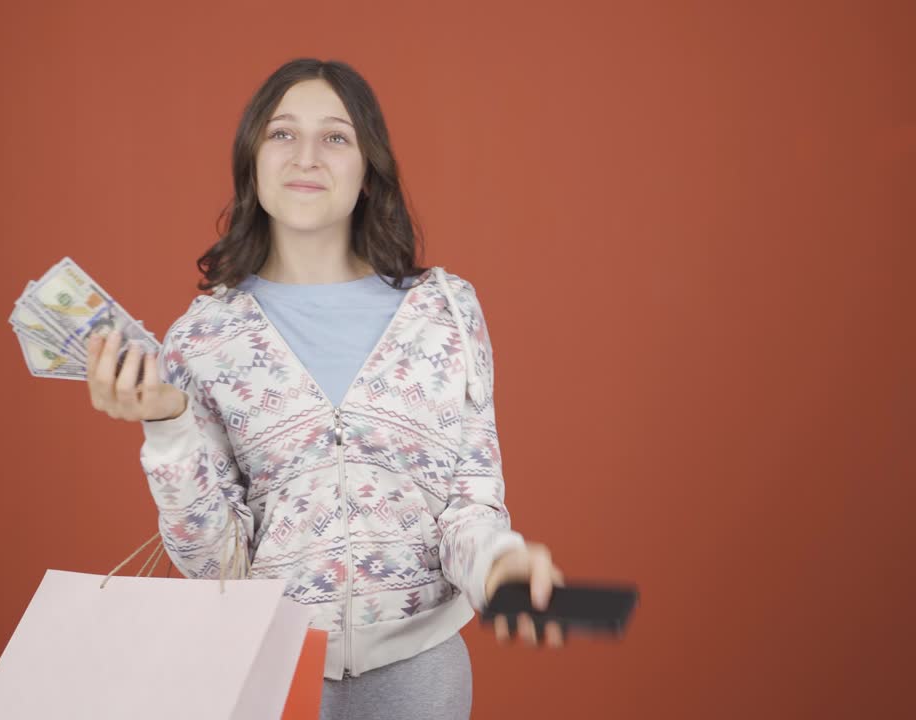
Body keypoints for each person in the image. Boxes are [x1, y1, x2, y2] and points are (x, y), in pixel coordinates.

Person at [86, 58, 567, 720]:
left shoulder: (446, 310)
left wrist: (500, 569)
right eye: (282, 134)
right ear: (252, 161)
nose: (306, 155)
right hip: (268, 672)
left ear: (368, 170)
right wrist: (167, 428)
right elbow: (216, 565)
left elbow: (468, 505)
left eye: (335, 136)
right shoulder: (202, 339)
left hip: (419, 674)